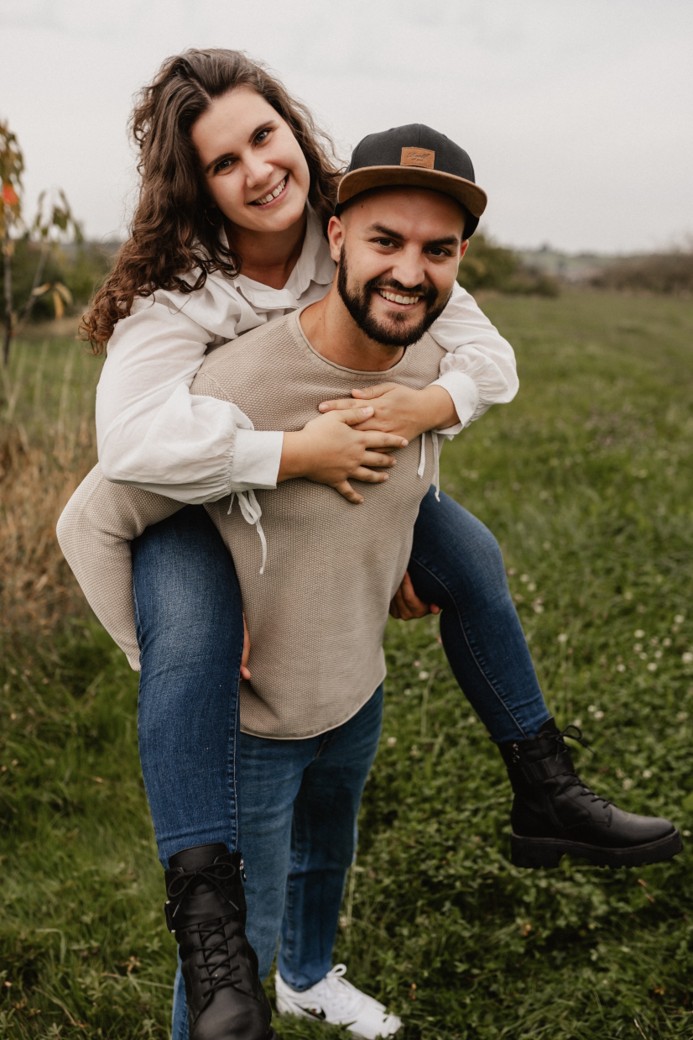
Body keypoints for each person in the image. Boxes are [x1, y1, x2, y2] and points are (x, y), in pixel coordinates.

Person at [56, 51, 681, 1040]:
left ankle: (542, 779)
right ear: (198, 186)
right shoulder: (187, 298)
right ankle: (210, 913)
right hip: (199, 495)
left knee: (466, 556)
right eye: (224, 162)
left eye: (265, 135)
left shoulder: (355, 244)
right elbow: (125, 455)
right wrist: (292, 452)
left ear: (296, 137)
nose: (259, 170)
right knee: (191, 638)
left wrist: (425, 405)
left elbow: (482, 357)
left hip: (326, 533)